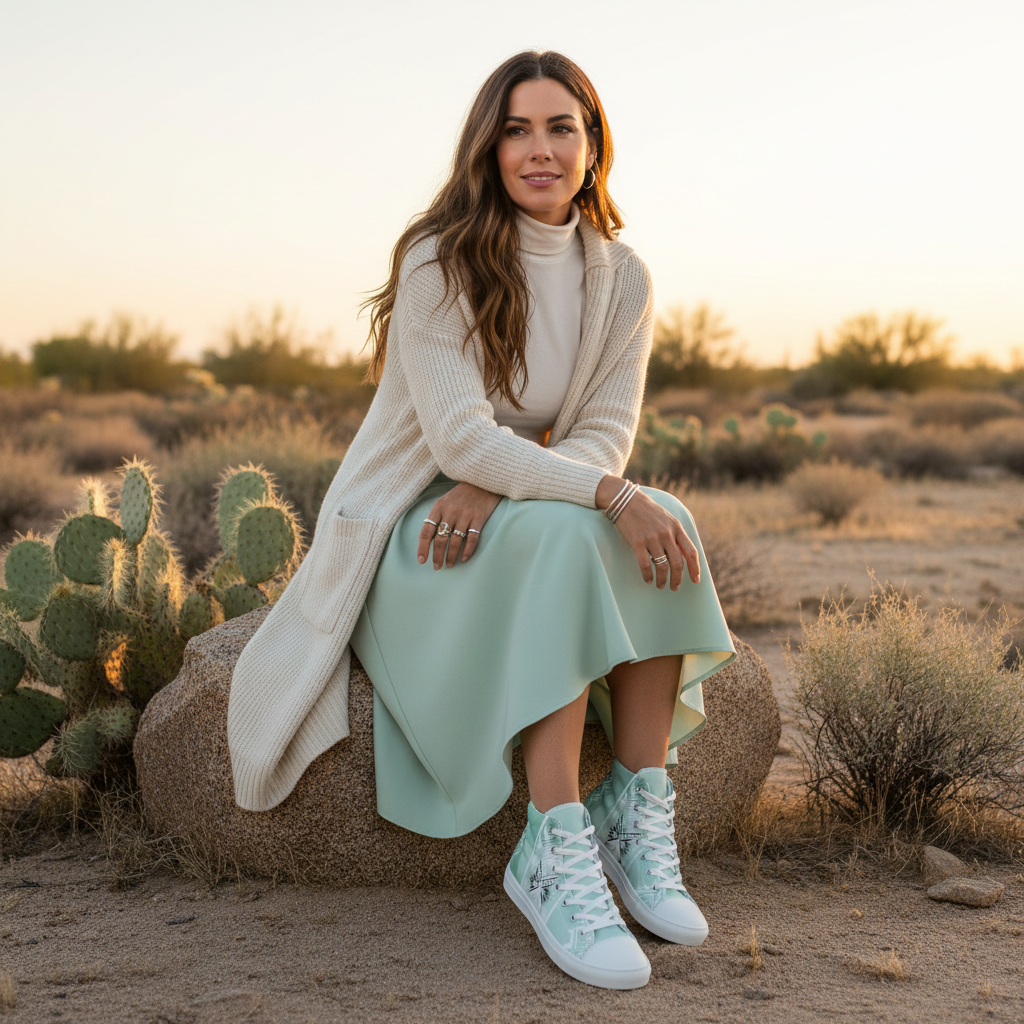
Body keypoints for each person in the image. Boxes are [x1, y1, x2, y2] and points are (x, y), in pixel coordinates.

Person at [226, 50, 735, 991]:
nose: (537, 150)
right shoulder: (439, 257)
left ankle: (633, 800)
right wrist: (543, 487)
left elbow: (604, 434)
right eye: (515, 129)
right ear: (487, 148)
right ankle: (552, 840)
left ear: (593, 147)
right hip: (417, 526)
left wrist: (515, 484)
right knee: (578, 529)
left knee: (662, 515)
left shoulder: (622, 276)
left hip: (503, 503)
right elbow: (459, 439)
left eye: (559, 128)